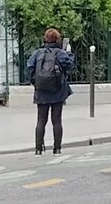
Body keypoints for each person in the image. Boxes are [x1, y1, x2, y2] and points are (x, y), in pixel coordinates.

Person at [27, 28, 75, 157]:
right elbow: (70, 66)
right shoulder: (60, 53)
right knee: (57, 120)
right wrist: (68, 52)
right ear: (57, 40)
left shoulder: (37, 53)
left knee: (41, 120)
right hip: (57, 90)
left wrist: (36, 83)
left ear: (45, 39)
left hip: (41, 91)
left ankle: (38, 149)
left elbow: (29, 69)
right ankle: (57, 149)